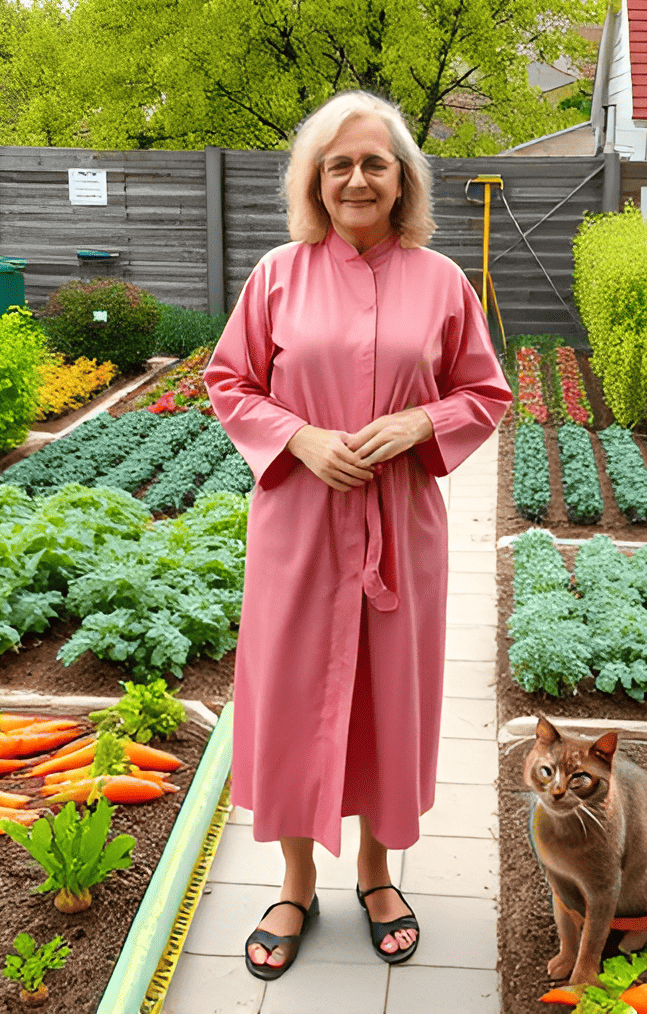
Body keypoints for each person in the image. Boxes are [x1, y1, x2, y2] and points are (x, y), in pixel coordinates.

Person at [202, 89, 512, 980]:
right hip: (299, 521)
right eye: (338, 164)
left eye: (375, 162)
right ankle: (295, 881)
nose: (357, 179)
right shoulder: (277, 275)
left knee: (390, 698)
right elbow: (230, 382)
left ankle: (377, 874)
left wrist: (420, 423)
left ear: (402, 178)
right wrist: (299, 437)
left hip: (400, 524)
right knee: (291, 695)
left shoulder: (442, 281)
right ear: (316, 181)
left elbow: (484, 392)